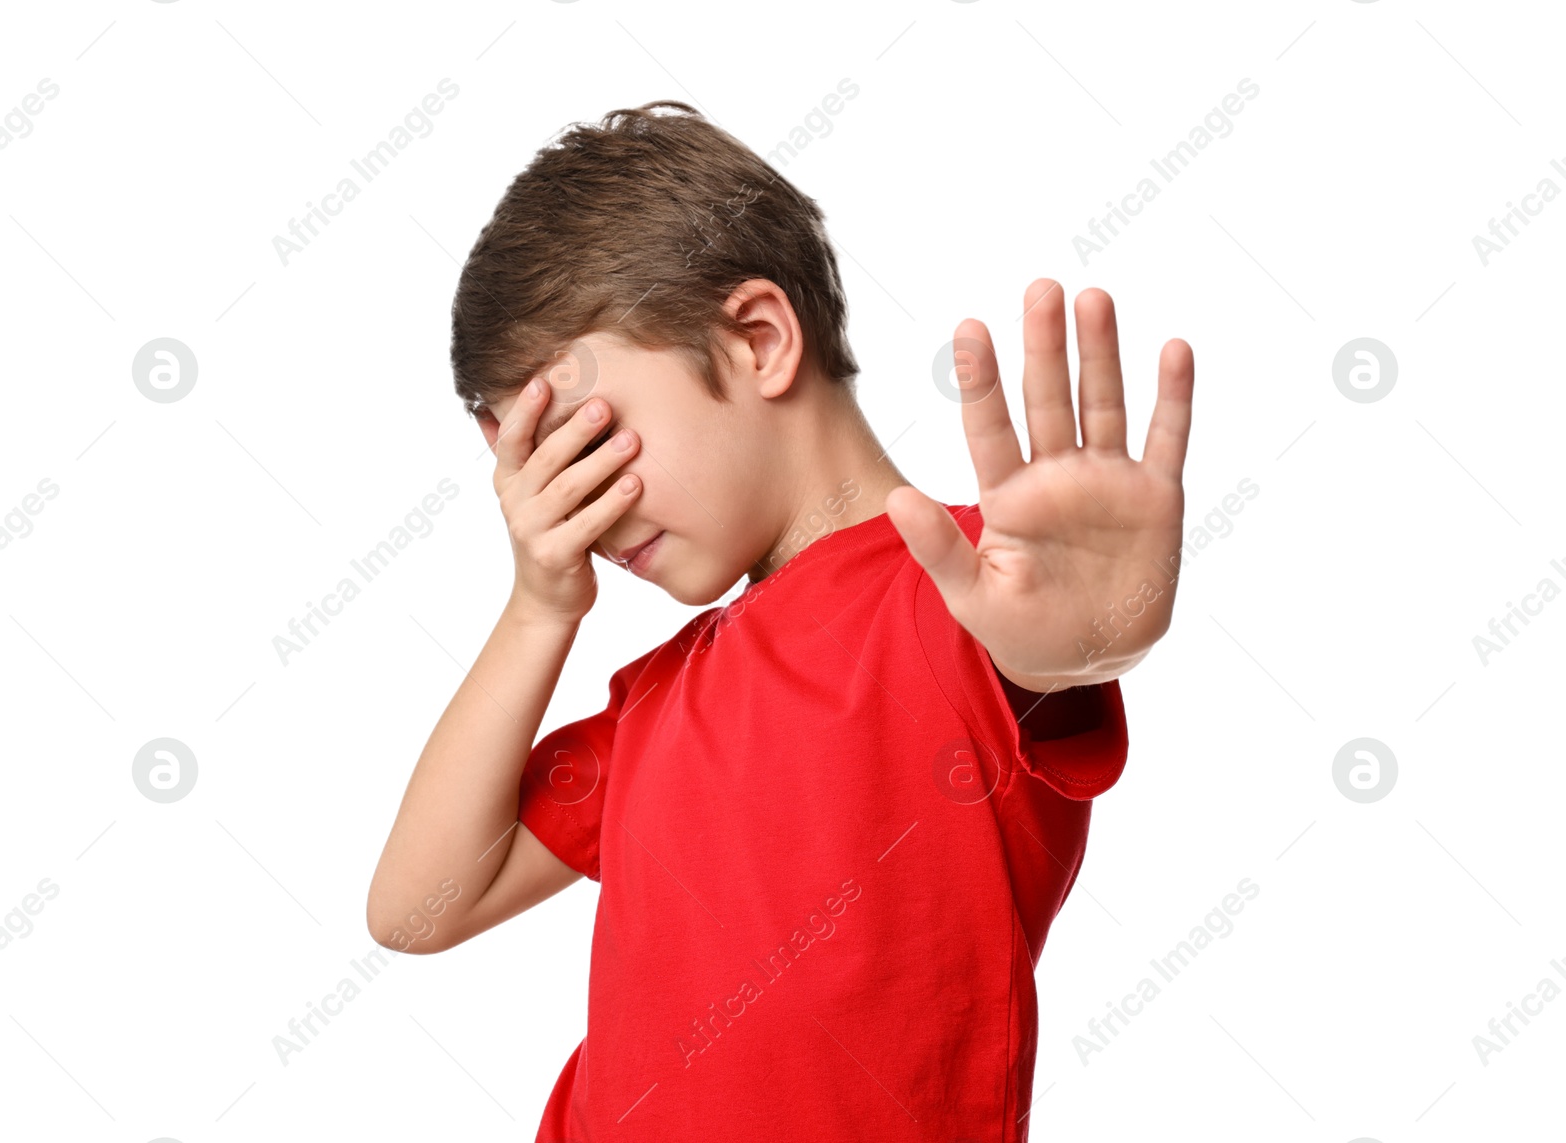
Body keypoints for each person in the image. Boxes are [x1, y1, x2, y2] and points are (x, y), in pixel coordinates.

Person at [367, 99, 1194, 1142]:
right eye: (536, 474)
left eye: (585, 444)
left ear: (757, 340)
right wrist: (541, 605)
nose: (578, 510)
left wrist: (1091, 632)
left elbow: (1055, 650)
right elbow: (417, 907)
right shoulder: (660, 699)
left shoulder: (971, 593)